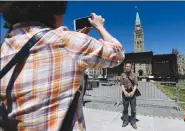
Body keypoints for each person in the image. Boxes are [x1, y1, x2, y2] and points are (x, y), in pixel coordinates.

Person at [0, 1, 125, 131]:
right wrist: (99, 26)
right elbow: (117, 54)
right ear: (55, 9)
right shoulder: (67, 41)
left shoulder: (5, 46)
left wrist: (79, 38)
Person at [120, 63, 138, 129]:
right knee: (125, 109)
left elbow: (136, 84)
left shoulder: (134, 75)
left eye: (129, 66)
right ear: (125, 67)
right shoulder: (122, 75)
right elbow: (121, 84)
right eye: (126, 66)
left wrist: (133, 92)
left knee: (133, 109)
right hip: (125, 93)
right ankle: (125, 121)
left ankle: (133, 122)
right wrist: (124, 92)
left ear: (131, 67)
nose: (127, 67)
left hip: (132, 93)